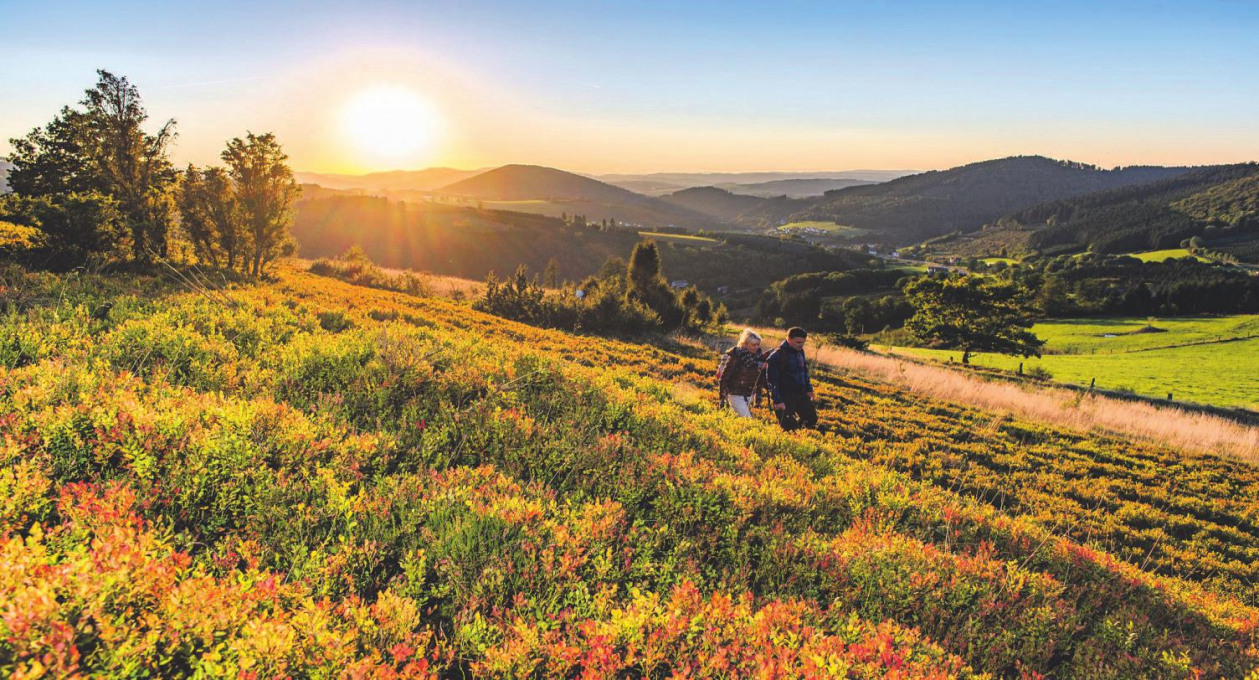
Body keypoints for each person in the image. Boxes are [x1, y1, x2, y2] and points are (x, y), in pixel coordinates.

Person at [766, 326, 818, 431]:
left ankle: (801, 435)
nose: (801, 345)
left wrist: (809, 389)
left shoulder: (800, 352)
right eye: (798, 342)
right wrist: (777, 400)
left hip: (801, 392)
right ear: (789, 339)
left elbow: (804, 372)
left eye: (803, 342)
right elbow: (772, 381)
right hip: (785, 395)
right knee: (789, 427)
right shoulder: (776, 356)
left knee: (811, 419)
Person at [718, 329, 767, 418]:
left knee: (737, 419)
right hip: (735, 393)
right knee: (747, 419)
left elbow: (759, 381)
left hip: (749, 395)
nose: (756, 347)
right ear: (745, 344)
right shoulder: (736, 356)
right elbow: (725, 377)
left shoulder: (759, 357)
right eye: (753, 345)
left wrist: (758, 399)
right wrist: (722, 399)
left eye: (758, 344)